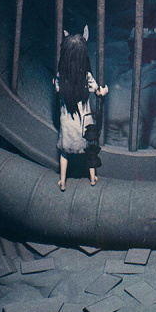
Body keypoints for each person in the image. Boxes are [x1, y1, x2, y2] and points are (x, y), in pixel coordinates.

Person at [53, 26, 107, 191]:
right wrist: (103, 91)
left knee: (64, 153)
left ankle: (63, 181)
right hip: (84, 121)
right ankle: (92, 178)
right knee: (89, 151)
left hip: (67, 123)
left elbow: (56, 88)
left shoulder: (61, 77)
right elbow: (97, 90)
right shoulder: (86, 77)